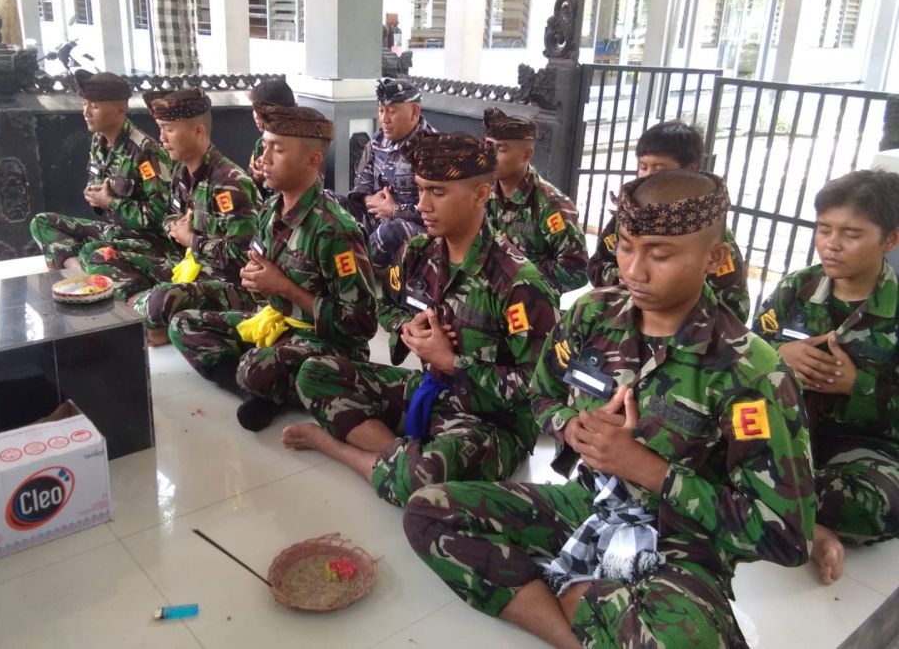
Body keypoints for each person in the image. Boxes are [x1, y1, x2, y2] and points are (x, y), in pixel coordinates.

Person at [404, 169, 815, 649]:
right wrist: (573, 428)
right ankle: (576, 625)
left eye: (659, 254)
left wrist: (650, 470)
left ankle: (582, 595)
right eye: (624, 246)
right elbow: (541, 396)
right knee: (430, 513)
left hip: (680, 543)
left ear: (713, 258)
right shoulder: (593, 315)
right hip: (590, 504)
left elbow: (786, 536)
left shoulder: (751, 372)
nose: (634, 270)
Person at [284, 133, 559, 507]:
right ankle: (399, 456)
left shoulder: (519, 283)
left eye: (438, 192)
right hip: (431, 388)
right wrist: (405, 328)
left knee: (421, 480)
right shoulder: (418, 252)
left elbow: (539, 389)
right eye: (420, 189)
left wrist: (453, 363)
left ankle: (339, 448)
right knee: (314, 372)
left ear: (481, 194)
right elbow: (387, 307)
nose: (422, 205)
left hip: (492, 422)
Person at [168, 102, 378, 432]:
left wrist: (285, 288)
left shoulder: (335, 230)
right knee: (184, 325)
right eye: (263, 146)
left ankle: (264, 383)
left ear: (312, 161)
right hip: (275, 322)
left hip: (325, 341)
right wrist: (255, 280)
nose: (262, 159)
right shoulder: (270, 210)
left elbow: (362, 324)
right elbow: (255, 262)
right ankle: (258, 393)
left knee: (254, 367)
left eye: (276, 150)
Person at [753, 169, 899, 585]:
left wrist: (859, 387)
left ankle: (757, 499)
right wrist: (778, 354)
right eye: (823, 229)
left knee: (874, 505)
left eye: (851, 234)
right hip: (783, 427)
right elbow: (742, 350)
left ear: (889, 240)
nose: (831, 244)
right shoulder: (797, 288)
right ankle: (801, 519)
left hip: (860, 448)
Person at [82, 89, 258, 344]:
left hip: (229, 285)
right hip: (186, 266)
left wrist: (192, 239)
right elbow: (167, 217)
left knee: (161, 299)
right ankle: (147, 317)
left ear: (198, 131)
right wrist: (176, 227)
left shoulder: (229, 183)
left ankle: (144, 313)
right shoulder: (181, 173)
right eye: (160, 128)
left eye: (169, 129)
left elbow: (244, 257)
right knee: (101, 256)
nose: (162, 138)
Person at [587, 120, 751, 322]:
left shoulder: (707, 233)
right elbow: (596, 265)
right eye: (643, 166)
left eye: (658, 168)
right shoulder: (629, 218)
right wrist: (620, 278)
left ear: (689, 170)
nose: (648, 176)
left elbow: (735, 310)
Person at [29, 70, 172, 271]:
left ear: (120, 109)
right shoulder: (99, 141)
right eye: (84, 104)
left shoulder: (145, 151)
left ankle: (80, 271)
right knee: (42, 223)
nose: (86, 112)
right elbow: (95, 182)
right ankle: (78, 271)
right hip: (115, 231)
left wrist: (110, 202)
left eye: (94, 106)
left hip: (148, 242)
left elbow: (160, 216)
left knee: (92, 252)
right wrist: (94, 196)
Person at [484, 107, 589, 294]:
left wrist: (517, 265)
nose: (490, 156)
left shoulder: (551, 205)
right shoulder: (482, 193)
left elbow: (577, 272)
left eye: (500, 149)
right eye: (487, 147)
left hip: (530, 305)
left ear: (526, 155)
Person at [341, 77, 437, 270]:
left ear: (414, 112)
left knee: (392, 229)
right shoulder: (377, 141)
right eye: (381, 110)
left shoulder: (433, 148)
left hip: (415, 227)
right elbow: (360, 186)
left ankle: (357, 276)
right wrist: (371, 200)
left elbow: (436, 209)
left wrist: (394, 211)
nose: (384, 119)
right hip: (374, 213)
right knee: (331, 204)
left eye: (392, 112)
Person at [248, 78, 296, 199]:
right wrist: (256, 177)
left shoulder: (300, 143)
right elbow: (249, 185)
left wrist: (272, 175)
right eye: (254, 109)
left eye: (261, 111)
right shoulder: (261, 143)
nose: (256, 116)